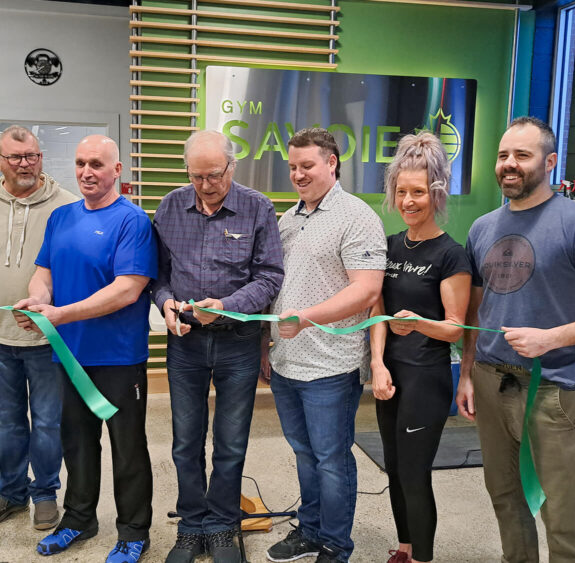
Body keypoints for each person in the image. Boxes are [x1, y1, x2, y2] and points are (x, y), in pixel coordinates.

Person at [455, 117, 575, 562]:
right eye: (503, 155)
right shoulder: (482, 228)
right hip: (490, 380)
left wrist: (551, 338)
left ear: (550, 162)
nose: (509, 165)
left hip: (555, 389)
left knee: (564, 515)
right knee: (506, 498)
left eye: (522, 155)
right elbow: (476, 313)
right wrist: (466, 374)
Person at [13, 134, 157, 563]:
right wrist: (39, 300)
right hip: (68, 355)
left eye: (97, 163)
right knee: (75, 443)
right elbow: (44, 273)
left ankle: (133, 531)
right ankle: (78, 519)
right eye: (80, 163)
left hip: (118, 357)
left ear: (117, 171)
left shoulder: (133, 221)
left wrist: (61, 314)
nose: (87, 172)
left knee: (127, 446)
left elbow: (126, 291)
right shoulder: (60, 218)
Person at [152, 130, 284, 563]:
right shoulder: (170, 206)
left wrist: (226, 307)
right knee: (185, 441)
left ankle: (224, 524)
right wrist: (167, 303)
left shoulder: (257, 207)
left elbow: (269, 277)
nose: (206, 186)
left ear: (231, 167)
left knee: (230, 441)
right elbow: (160, 275)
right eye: (197, 177)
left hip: (239, 343)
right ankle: (192, 524)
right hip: (186, 343)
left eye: (214, 176)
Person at [266, 128, 386, 563]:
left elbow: (367, 290)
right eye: (293, 167)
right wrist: (270, 342)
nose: (298, 174)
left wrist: (307, 318)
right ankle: (311, 530)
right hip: (286, 362)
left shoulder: (358, 217)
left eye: (307, 166)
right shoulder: (287, 218)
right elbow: (280, 288)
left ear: (332, 163)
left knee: (332, 459)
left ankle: (335, 544)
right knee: (304, 454)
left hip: (330, 366)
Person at [0, 125, 77, 531]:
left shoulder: (67, 206)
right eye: (17, 157)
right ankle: (11, 491)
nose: (26, 164)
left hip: (47, 340)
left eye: (33, 157)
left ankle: (45, 494)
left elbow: (77, 272)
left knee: (47, 423)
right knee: (7, 423)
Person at [368, 132, 471, 563]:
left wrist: (418, 323)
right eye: (402, 192)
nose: (409, 201)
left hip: (427, 379)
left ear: (437, 194)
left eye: (419, 193)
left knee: (413, 473)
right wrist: (376, 363)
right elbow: (377, 310)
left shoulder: (451, 255)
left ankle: (424, 558)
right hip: (390, 374)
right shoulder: (389, 246)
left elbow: (455, 329)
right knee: (393, 469)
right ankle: (406, 549)